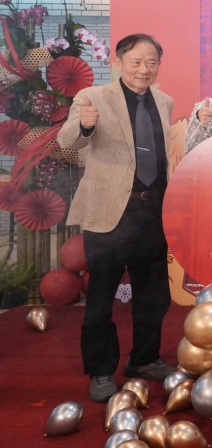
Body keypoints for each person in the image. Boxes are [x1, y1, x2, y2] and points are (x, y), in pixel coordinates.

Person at [57, 34, 176, 403]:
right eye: (136, 62)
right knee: (101, 298)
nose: (144, 69)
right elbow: (67, 140)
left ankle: (144, 359)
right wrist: (85, 125)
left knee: (154, 296)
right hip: (110, 213)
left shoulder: (164, 101)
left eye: (151, 62)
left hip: (153, 211)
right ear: (118, 62)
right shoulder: (93, 97)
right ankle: (100, 370)